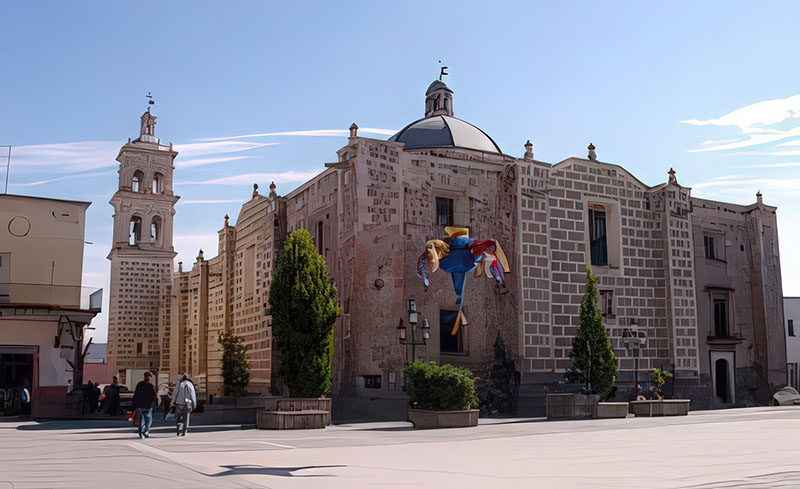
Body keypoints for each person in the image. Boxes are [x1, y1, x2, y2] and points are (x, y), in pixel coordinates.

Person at [132, 371, 157, 438]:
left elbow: (135, 395)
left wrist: (134, 405)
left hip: (140, 405)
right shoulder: (151, 386)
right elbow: (155, 396)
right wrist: (155, 404)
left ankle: (141, 429)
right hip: (148, 406)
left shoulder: (139, 384)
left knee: (141, 418)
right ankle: (146, 431)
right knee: (148, 418)